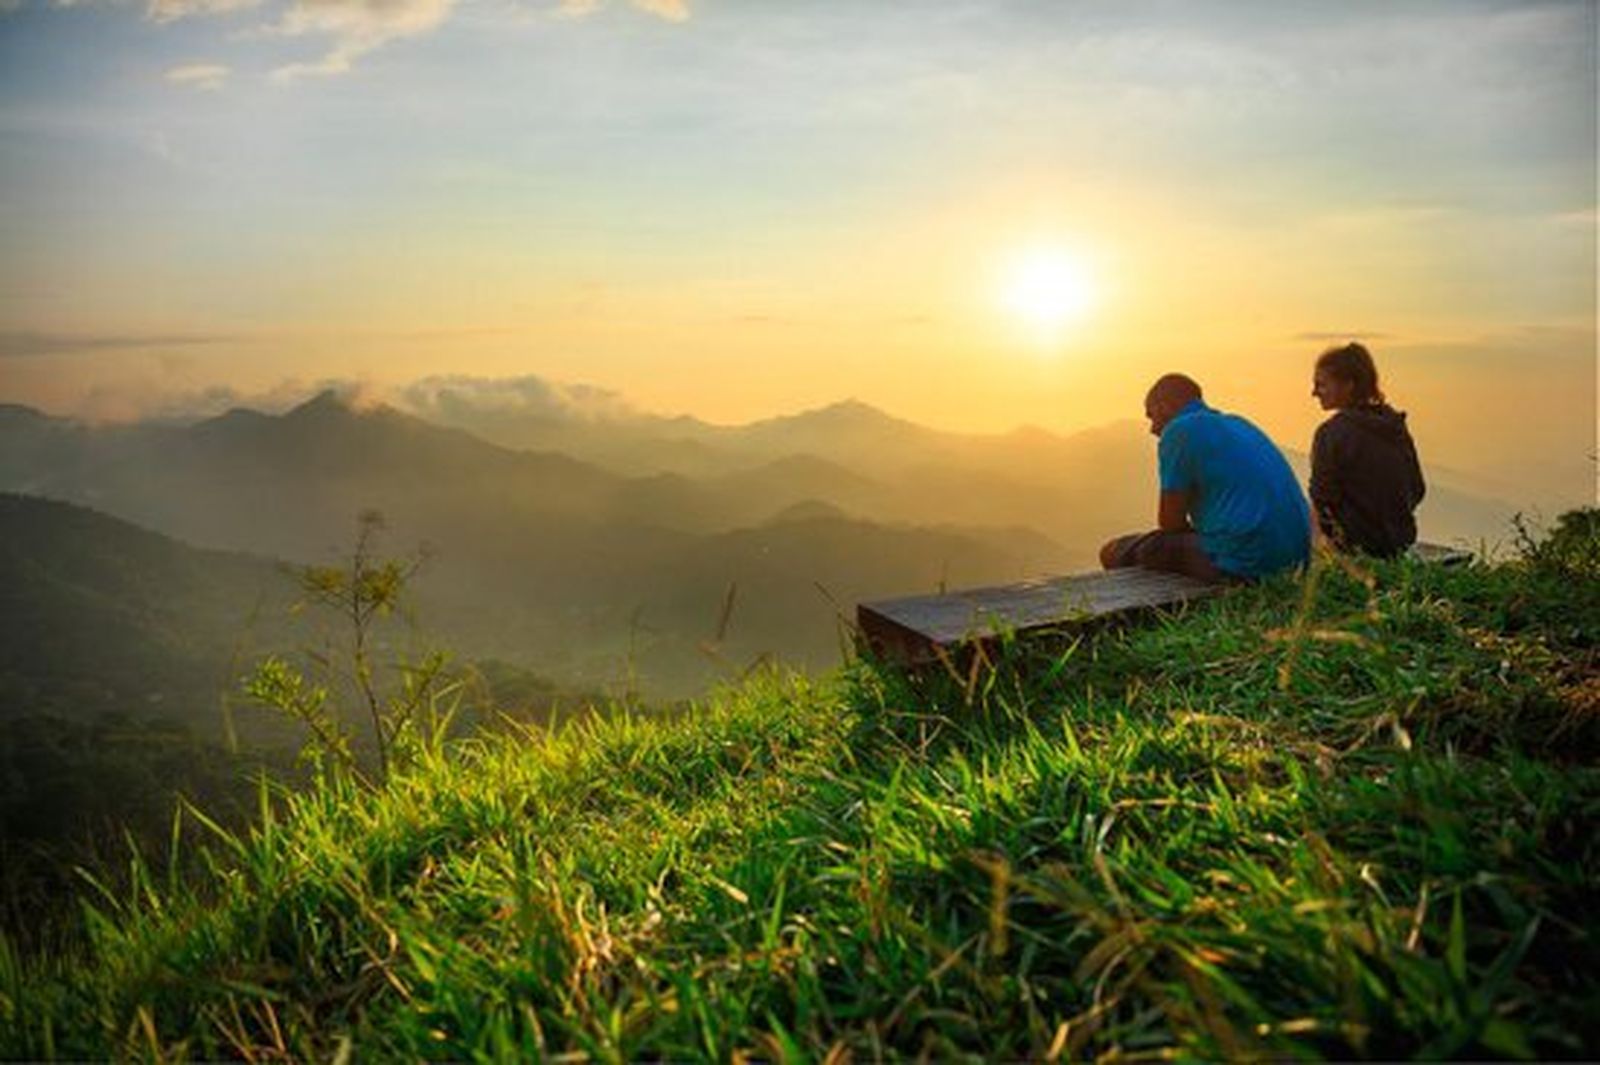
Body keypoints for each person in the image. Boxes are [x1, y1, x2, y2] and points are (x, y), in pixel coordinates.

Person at [1100, 374, 1310, 582]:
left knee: (1113, 551)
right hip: (1296, 561)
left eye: (1151, 416)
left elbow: (1170, 523)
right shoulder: (1240, 423)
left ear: (1164, 406)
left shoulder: (1179, 430)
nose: (1153, 429)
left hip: (1248, 564)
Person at [1308, 342, 1425, 558]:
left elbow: (1321, 502)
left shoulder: (1331, 434)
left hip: (1354, 548)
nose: (1314, 392)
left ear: (1348, 385)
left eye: (1322, 384)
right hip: (1399, 543)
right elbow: (1417, 489)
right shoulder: (1395, 426)